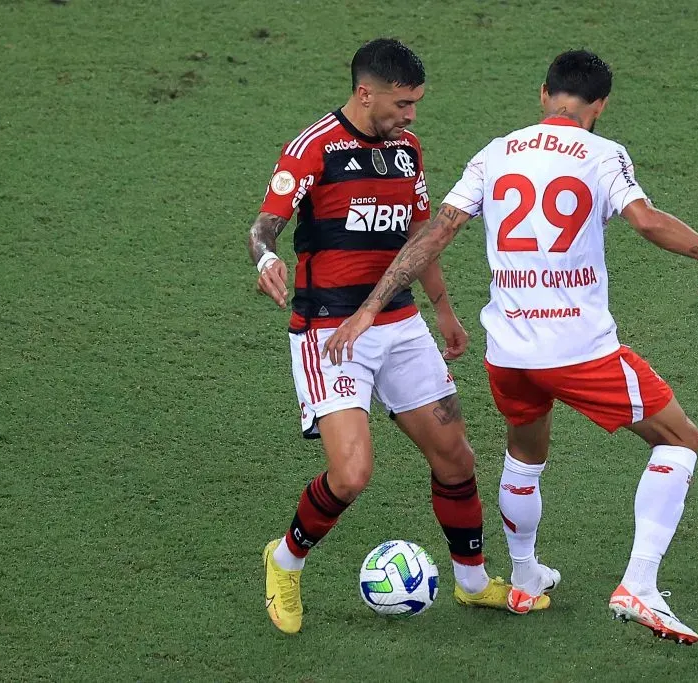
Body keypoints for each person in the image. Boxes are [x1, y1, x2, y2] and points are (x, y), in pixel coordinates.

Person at [323, 50, 698, 645]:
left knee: (525, 452)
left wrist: (368, 308)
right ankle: (639, 587)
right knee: (681, 440)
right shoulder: (603, 153)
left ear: (544, 95)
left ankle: (523, 575)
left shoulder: (495, 152)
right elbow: (645, 222)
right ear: (599, 106)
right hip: (579, 352)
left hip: (509, 354)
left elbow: (435, 233)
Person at [247, 38, 528, 635]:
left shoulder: (407, 152)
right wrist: (264, 258)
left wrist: (444, 309)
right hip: (329, 330)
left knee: (456, 458)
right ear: (365, 92)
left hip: (399, 323)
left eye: (416, 104)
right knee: (351, 474)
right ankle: (284, 560)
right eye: (403, 103)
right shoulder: (312, 150)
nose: (411, 116)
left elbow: (420, 236)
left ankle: (473, 582)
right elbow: (264, 225)